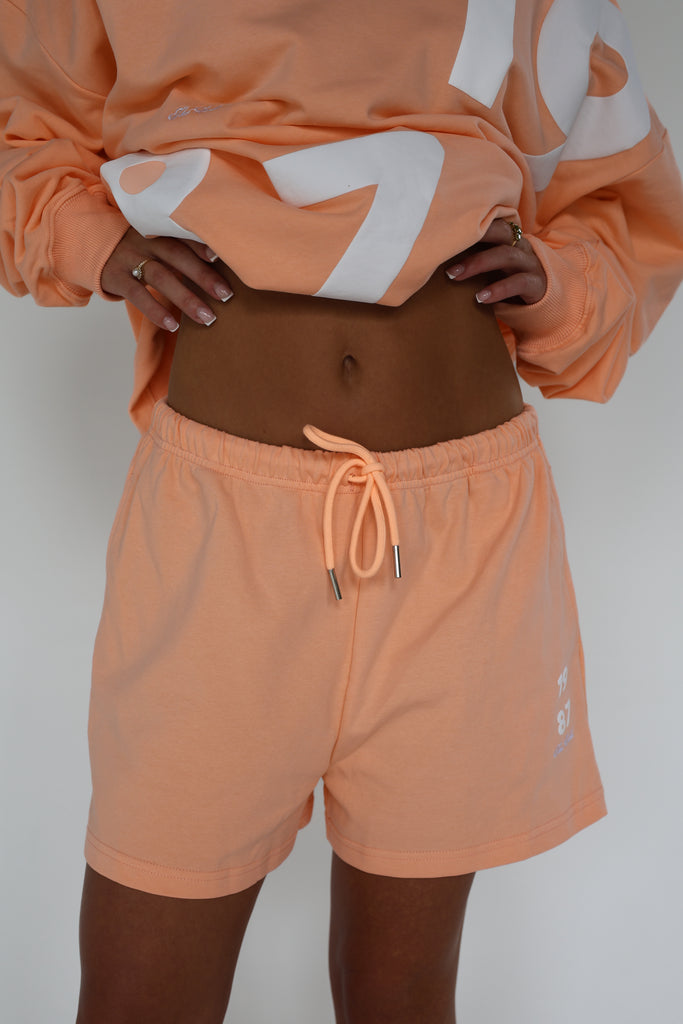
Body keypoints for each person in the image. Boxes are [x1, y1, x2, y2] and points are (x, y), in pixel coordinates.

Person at [2, 1, 682, 1022]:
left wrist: (562, 278)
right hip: (220, 536)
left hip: (465, 537)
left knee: (401, 996)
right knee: (140, 997)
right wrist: (94, 240)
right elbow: (22, 120)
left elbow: (617, 182)